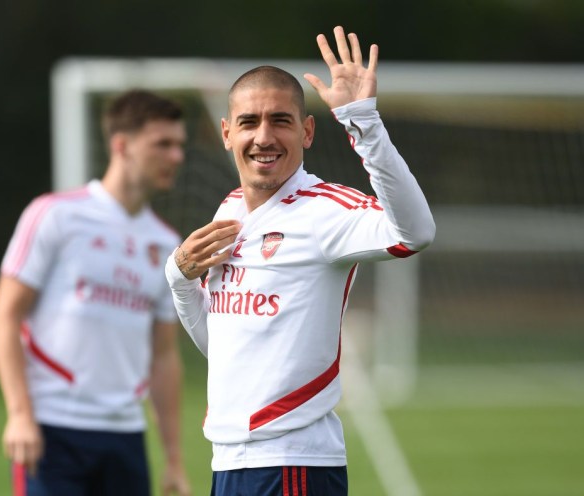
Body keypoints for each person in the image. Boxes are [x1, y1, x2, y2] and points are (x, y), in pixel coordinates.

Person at [164, 26, 436, 496]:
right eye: (249, 122)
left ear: (307, 131)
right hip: (228, 459)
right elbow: (222, 347)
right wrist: (179, 279)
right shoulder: (229, 209)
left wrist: (364, 123)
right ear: (227, 133)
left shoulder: (325, 211)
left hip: (293, 464)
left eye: (280, 121)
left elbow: (415, 233)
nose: (263, 137)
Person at [0, 89, 192, 496]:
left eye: (179, 145)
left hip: (125, 435)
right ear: (121, 145)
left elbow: (164, 355)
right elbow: (4, 316)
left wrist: (173, 457)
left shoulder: (167, 243)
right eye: (163, 144)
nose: (177, 156)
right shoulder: (55, 214)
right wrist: (20, 414)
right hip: (52, 429)